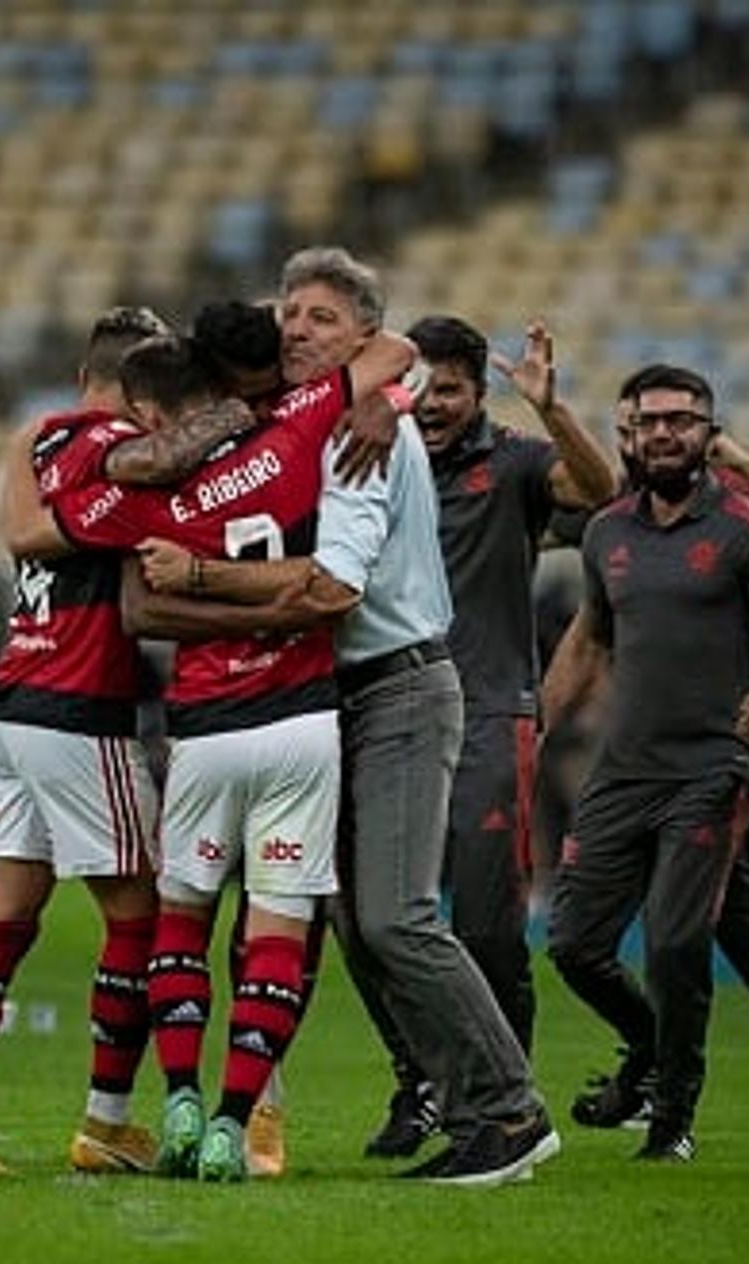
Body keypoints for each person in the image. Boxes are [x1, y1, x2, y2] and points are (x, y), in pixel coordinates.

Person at [134, 248, 558, 1185]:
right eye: (289, 312)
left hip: (398, 685)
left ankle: (511, 1113)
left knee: (398, 920)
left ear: (365, 338)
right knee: (366, 926)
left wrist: (199, 578)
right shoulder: (325, 418)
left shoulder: (357, 437)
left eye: (322, 317)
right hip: (351, 696)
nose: (295, 327)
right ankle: (475, 1108)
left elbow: (332, 588)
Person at [9, 321, 416, 1182]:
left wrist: (141, 468)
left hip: (204, 726)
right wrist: (380, 398)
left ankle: (184, 1096)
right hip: (303, 719)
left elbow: (40, 533)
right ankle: (239, 1122)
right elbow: (396, 351)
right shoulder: (300, 425)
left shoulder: (150, 492)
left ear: (157, 408)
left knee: (181, 925)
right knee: (277, 928)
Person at [0, 305, 230, 1177]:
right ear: (138, 386)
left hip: (8, 702)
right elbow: (114, 501)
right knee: (145, 914)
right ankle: (108, 1121)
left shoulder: (42, 442)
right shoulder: (118, 451)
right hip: (80, 708)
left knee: (4, 910)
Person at [549, 371, 749, 1139]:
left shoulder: (747, 525)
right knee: (574, 946)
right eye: (647, 422)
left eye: (681, 421)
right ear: (624, 433)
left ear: (709, 433)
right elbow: (591, 635)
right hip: (625, 767)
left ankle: (673, 1118)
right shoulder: (606, 531)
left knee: (674, 937)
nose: (663, 434)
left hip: (719, 761)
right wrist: (530, 723)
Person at [348, 314, 616, 1157]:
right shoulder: (371, 452)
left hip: (491, 711)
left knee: (487, 927)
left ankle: (507, 1100)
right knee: (361, 919)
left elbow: (601, 492)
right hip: (380, 710)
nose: (432, 406)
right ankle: (421, 1080)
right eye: (421, 389)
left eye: (451, 390)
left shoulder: (514, 461)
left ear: (480, 391)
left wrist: (553, 410)